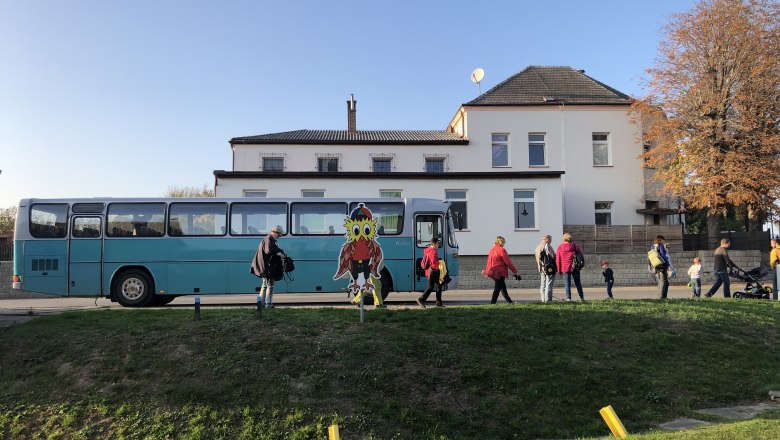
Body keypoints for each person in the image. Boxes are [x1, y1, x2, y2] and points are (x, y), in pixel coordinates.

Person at [250, 226, 285, 308]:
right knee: (270, 285)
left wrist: (279, 252)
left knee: (265, 285)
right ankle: (268, 304)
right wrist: (281, 252)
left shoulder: (267, 239)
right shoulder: (269, 239)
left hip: (265, 266)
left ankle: (261, 304)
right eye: (279, 235)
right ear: (275, 233)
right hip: (268, 267)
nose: (279, 237)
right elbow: (268, 251)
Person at [482, 236, 519, 304]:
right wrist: (514, 271)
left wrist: (487, 271)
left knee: (502, 287)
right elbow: (507, 262)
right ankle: (492, 303)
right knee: (497, 288)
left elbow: (489, 261)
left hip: (493, 271)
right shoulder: (502, 250)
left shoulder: (492, 250)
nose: (504, 243)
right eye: (504, 242)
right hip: (500, 271)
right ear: (501, 242)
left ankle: (510, 302)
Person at [555, 233, 585, 301]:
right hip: (575, 267)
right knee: (578, 283)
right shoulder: (575, 246)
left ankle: (568, 298)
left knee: (567, 284)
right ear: (570, 238)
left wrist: (559, 270)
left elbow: (558, 260)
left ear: (563, 239)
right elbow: (581, 255)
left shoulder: (560, 247)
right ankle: (582, 298)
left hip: (565, 268)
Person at [416, 237, 443, 308]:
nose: (438, 245)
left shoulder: (427, 250)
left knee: (437, 286)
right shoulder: (433, 251)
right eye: (437, 243)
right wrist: (439, 263)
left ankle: (439, 303)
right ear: (434, 244)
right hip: (434, 271)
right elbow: (433, 261)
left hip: (429, 271)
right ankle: (421, 299)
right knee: (433, 287)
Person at [534, 234, 556, 303]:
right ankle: (548, 300)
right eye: (550, 239)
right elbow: (552, 256)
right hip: (549, 268)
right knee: (549, 284)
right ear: (547, 239)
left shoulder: (537, 247)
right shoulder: (547, 245)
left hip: (541, 268)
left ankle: (543, 300)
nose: (551, 241)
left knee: (543, 284)